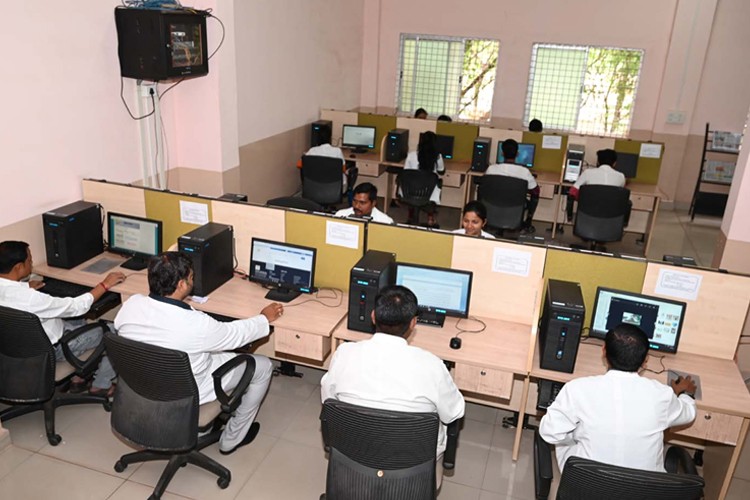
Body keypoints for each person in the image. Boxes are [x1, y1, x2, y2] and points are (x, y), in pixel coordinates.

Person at [114, 252, 282, 455]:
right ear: (182, 285)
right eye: (192, 278)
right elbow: (236, 335)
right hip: (189, 390)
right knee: (263, 366)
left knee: (210, 348)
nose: (193, 281)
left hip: (145, 383)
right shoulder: (196, 324)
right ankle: (231, 439)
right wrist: (264, 318)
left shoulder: (131, 305)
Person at [321, 285, 465, 487]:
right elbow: (454, 413)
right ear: (413, 323)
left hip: (354, 458)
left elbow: (327, 400)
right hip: (412, 468)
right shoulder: (432, 365)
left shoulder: (344, 354)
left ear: (373, 316)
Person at [539, 323, 697, 473]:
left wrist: (577, 434)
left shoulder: (577, 389)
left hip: (587, 487)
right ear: (645, 360)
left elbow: (550, 433)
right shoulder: (662, 394)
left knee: (567, 434)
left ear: (603, 351)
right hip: (643, 492)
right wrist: (685, 394)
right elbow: (688, 414)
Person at [0, 240, 124, 396]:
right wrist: (105, 284)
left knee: (78, 320)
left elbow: (14, 298)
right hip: (55, 350)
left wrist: (26, 287)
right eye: (29, 260)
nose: (31, 263)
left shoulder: (20, 294)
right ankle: (101, 385)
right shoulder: (30, 299)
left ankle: (79, 379)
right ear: (18, 267)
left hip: (14, 351)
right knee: (118, 332)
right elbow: (76, 306)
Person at [485, 139, 540, 232]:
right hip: (515, 207)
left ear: (502, 153)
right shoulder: (524, 172)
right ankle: (528, 222)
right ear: (517, 154)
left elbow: (484, 185)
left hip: (493, 205)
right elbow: (536, 191)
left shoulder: (491, 169)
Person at [403, 131, 445, 226]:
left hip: (411, 191)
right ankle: (430, 218)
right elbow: (441, 171)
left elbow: (405, 172)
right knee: (435, 185)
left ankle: (411, 216)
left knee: (413, 186)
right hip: (428, 192)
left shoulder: (411, 155)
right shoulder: (437, 156)